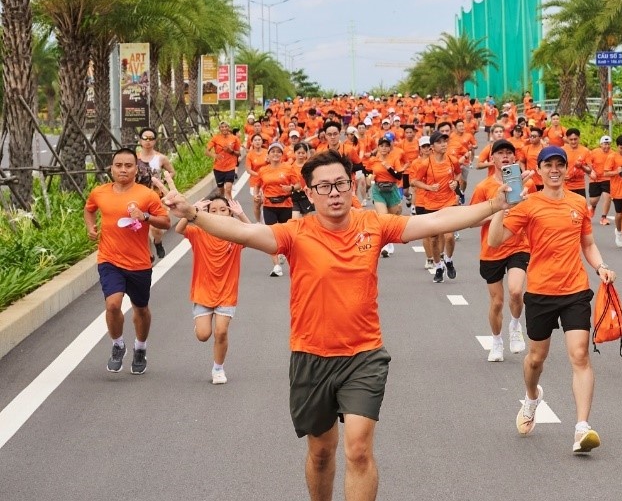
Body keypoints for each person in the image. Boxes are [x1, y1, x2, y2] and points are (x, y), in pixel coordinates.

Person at [160, 149, 511, 501]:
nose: (334, 193)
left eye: (341, 184)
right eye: (324, 187)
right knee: (321, 451)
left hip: (364, 355)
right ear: (310, 194)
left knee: (358, 449)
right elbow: (246, 234)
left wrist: (493, 206)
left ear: (351, 186)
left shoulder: (374, 224)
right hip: (311, 356)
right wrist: (193, 215)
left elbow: (437, 221)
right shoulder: (295, 232)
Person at [488, 145, 615, 455]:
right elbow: (495, 240)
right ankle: (532, 398)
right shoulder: (528, 204)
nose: (555, 169)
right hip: (542, 292)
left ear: (567, 169)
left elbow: (588, 243)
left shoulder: (578, 202)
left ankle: (582, 427)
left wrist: (600, 266)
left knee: (580, 355)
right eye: (549, 165)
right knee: (535, 359)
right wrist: (501, 207)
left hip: (575, 290)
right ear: (540, 170)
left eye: (560, 164)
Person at [84, 148, 170, 375]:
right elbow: (89, 209)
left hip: (139, 263)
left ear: (136, 168)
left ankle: (140, 348)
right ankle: (118, 344)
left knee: (140, 309)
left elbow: (166, 222)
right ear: (111, 168)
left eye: (128, 166)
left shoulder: (147, 195)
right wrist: (90, 227)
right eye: (118, 165)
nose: (123, 169)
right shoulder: (99, 192)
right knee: (112, 304)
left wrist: (145, 217)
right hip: (109, 259)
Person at [175, 195, 249, 385]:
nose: (218, 213)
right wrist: (191, 212)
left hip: (227, 292)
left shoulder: (236, 235)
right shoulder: (199, 233)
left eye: (223, 210)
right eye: (213, 211)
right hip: (203, 292)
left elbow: (253, 233)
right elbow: (179, 229)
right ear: (206, 214)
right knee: (203, 335)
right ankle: (201, 327)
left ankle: (218, 368)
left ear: (229, 212)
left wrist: (241, 215)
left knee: (221, 332)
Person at [470, 139, 529, 362]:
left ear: (514, 158)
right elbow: (472, 219)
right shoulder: (483, 188)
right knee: (497, 302)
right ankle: (496, 341)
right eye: (500, 153)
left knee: (515, 291)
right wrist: (496, 212)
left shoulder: (525, 184)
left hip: (518, 245)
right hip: (492, 249)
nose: (505, 156)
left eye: (509, 153)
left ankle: (515, 325)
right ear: (492, 158)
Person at [410, 127, 462, 283]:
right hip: (431, 203)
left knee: (449, 237)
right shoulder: (425, 164)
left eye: (444, 141)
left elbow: (458, 173)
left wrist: (456, 183)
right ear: (432, 147)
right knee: (433, 239)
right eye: (439, 142)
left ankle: (449, 259)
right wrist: (428, 187)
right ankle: (439, 266)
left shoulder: (452, 160)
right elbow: (414, 181)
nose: (443, 145)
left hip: (449, 201)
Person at [253, 142, 302, 277]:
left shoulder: (288, 168)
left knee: (286, 236)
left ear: (282, 155)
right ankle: (276, 266)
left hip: (285, 204)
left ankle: (290, 262)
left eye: (278, 152)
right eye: (273, 151)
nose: (276, 154)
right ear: (268, 155)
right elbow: (257, 185)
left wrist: (291, 188)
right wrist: (256, 195)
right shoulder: (263, 170)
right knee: (272, 236)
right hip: (269, 205)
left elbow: (298, 185)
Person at [136, 127, 175, 260]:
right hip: (139, 198)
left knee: (156, 229)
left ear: (155, 141)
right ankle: (148, 254)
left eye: (151, 138)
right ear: (140, 140)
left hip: (157, 198)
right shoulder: (134, 158)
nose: (148, 141)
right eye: (145, 138)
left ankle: (158, 243)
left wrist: (162, 180)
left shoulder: (161, 158)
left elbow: (172, 172)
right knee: (142, 228)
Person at [367, 135, 407, 257]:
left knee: (392, 217)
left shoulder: (394, 159)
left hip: (392, 189)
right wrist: (370, 179)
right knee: (383, 217)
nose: (384, 148)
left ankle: (390, 241)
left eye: (386, 146)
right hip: (378, 190)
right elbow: (369, 175)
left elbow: (399, 176)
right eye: (381, 146)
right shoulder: (373, 160)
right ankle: (385, 245)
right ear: (378, 147)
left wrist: (389, 169)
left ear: (390, 148)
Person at [206, 121, 242, 200]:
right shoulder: (216, 138)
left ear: (229, 128)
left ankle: (231, 209)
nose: (224, 128)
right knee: (221, 192)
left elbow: (239, 153)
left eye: (226, 127)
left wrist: (231, 151)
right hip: (218, 168)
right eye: (222, 127)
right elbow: (206, 151)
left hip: (230, 167)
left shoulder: (234, 138)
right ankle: (222, 207)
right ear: (219, 129)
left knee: (228, 190)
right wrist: (215, 155)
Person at [588, 135, 613, 223]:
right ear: (601, 145)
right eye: (605, 144)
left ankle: (604, 217)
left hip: (607, 178)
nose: (606, 146)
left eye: (608, 144)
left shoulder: (613, 154)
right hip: (595, 179)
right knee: (593, 200)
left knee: (608, 197)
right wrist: (591, 172)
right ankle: (593, 207)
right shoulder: (594, 152)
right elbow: (588, 162)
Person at [245, 132, 269, 222]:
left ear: (262, 141)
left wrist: (269, 161)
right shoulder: (249, 155)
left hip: (267, 181)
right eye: (255, 140)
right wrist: (259, 175)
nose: (257, 141)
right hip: (255, 182)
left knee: (266, 202)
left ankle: (267, 221)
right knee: (257, 203)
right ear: (252, 142)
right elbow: (248, 170)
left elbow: (273, 165)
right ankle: (258, 221)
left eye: (259, 140)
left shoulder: (267, 152)